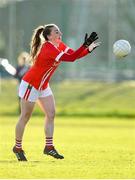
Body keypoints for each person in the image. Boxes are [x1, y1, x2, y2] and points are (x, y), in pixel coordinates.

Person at [12, 23, 101, 161]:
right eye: (56, 32)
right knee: (25, 116)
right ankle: (17, 147)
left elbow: (73, 55)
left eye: (59, 32)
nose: (60, 34)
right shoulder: (48, 48)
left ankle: (49, 147)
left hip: (43, 85)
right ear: (49, 36)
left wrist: (88, 49)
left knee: (51, 114)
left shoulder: (59, 45)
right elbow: (71, 59)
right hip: (31, 84)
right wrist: (84, 46)